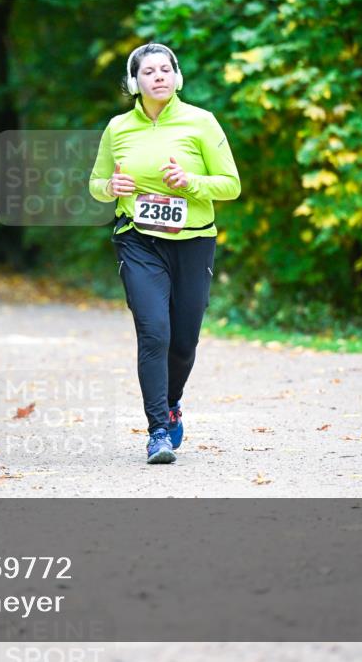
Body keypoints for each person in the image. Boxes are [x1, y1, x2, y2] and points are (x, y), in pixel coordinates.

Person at [89, 42, 241, 464]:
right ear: (133, 82)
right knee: (154, 331)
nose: (158, 76)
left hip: (193, 241)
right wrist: (111, 187)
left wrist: (190, 182)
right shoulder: (118, 128)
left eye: (165, 69)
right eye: (148, 71)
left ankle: (172, 402)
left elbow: (231, 184)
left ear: (177, 77)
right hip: (138, 240)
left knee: (184, 341)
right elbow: (96, 184)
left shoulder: (201, 122)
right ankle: (157, 431)